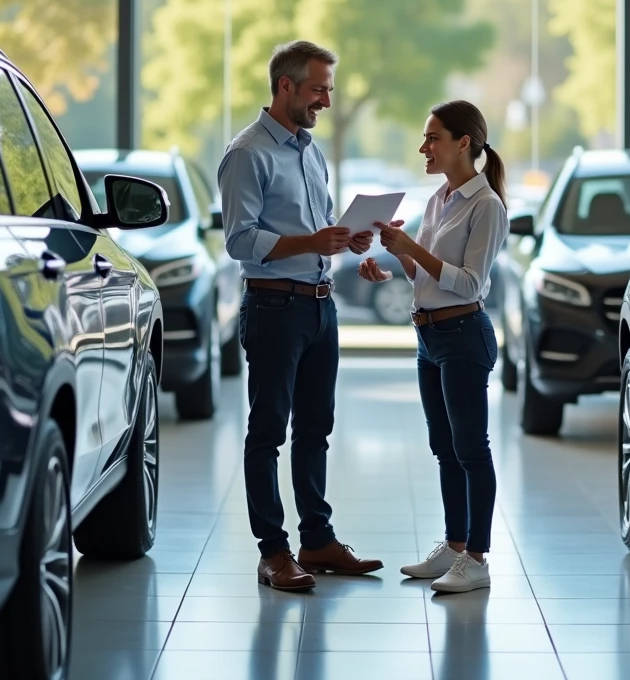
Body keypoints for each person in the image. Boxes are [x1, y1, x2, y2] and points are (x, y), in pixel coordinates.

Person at [218, 40, 383, 591]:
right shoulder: (247, 153)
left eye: (329, 91)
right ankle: (273, 552)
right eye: (318, 90)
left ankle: (318, 539)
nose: (326, 102)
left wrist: (346, 239)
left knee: (316, 429)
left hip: (319, 306)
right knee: (267, 433)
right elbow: (239, 241)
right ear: (285, 86)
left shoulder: (309, 151)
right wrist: (312, 239)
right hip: (273, 309)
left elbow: (319, 224)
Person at [360, 100, 509, 594]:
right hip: (428, 336)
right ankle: (455, 545)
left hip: (463, 335)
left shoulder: (486, 206)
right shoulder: (437, 200)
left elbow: (469, 285)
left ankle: (479, 558)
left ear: (463, 143)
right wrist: (391, 258)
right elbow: (425, 274)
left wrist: (412, 250)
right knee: (444, 448)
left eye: (433, 138)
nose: (424, 147)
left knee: (471, 449)